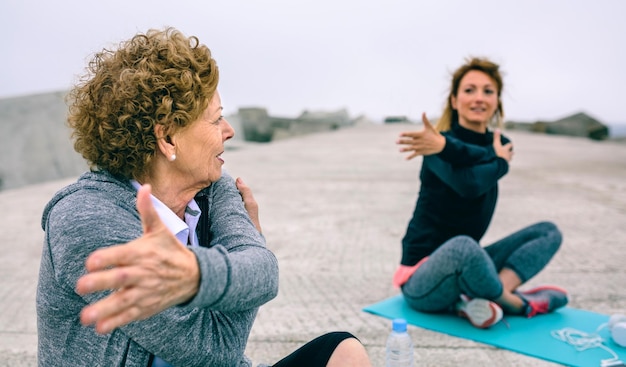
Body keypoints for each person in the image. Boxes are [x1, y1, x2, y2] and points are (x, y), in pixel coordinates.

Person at [36, 27, 372, 367]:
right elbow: (213, 351)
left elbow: (264, 275)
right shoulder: (85, 220)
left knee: (344, 352)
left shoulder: (214, 188)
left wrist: (200, 275)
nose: (229, 130)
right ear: (167, 138)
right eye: (216, 119)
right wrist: (239, 260)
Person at [393, 57, 568, 329]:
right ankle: (512, 303)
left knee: (548, 231)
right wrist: (498, 161)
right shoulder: (433, 144)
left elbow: (477, 166)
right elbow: (469, 185)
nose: (479, 98)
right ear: (454, 100)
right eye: (469, 90)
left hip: (468, 266)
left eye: (488, 91)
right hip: (423, 278)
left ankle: (497, 295)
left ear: (497, 101)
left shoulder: (500, 143)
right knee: (464, 246)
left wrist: (490, 156)